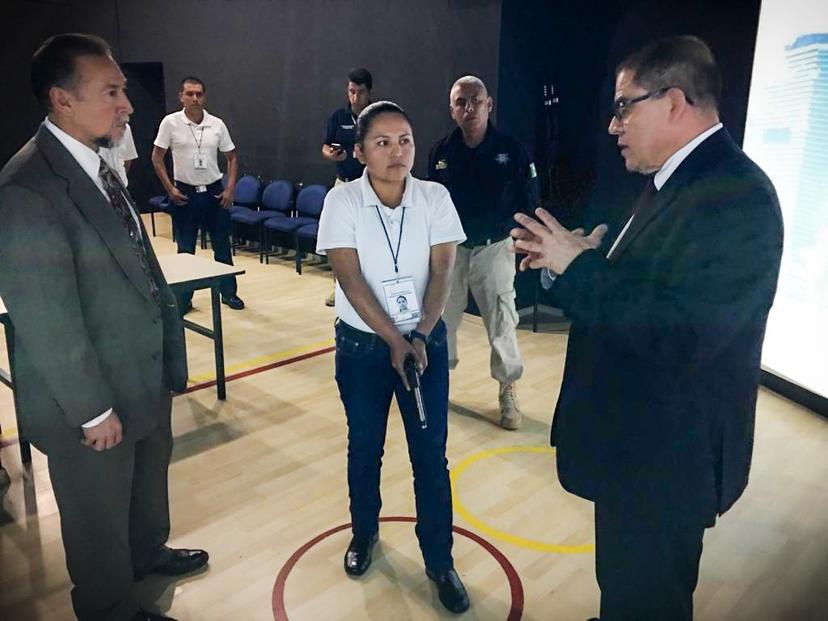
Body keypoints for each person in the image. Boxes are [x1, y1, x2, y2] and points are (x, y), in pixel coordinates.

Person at [511, 36, 783, 620]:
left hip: (667, 464)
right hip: (638, 449)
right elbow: (649, 296)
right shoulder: (678, 182)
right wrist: (581, 265)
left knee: (650, 598)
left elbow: (683, 334)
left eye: (623, 105)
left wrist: (579, 269)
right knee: (626, 587)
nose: (613, 125)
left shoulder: (738, 198)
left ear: (674, 101)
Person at [0, 33, 210, 621]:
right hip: (89, 400)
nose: (128, 105)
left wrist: (168, 358)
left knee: (144, 490)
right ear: (62, 100)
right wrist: (91, 410)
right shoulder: (26, 189)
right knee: (95, 516)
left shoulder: (95, 163)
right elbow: (47, 316)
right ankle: (108, 605)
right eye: (112, 91)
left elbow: (140, 271)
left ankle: (146, 555)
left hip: (137, 376)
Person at [316, 101, 470, 614]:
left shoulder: (434, 196)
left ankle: (440, 560)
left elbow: (444, 267)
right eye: (382, 142)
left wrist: (421, 336)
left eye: (404, 139)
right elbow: (349, 276)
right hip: (363, 347)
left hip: (424, 345)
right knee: (365, 447)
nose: (397, 151)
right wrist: (394, 340)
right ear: (360, 151)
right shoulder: (344, 202)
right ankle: (364, 535)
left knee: (431, 457)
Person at [428, 75, 538, 430]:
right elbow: (430, 205)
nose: (469, 108)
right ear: (452, 110)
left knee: (502, 323)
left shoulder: (512, 150)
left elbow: (530, 201)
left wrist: (526, 240)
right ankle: (438, 384)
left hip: (495, 250)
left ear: (489, 105)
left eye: (476, 100)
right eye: (461, 102)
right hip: (452, 252)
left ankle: (508, 389)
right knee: (442, 323)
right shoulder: (441, 153)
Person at [151, 76, 244, 315]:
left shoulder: (217, 124)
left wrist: (230, 188)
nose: (195, 98)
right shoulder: (170, 123)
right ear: (181, 97)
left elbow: (232, 157)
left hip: (214, 192)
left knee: (222, 245)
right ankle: (183, 299)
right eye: (190, 94)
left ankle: (229, 293)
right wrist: (170, 188)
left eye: (199, 94)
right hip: (185, 193)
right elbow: (157, 158)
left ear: (204, 97)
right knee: (185, 248)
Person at [321, 68, 372, 307]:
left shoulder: (377, 116)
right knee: (340, 239)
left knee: (368, 239)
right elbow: (325, 146)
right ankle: (339, 288)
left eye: (360, 92)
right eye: (351, 92)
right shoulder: (338, 117)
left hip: (370, 186)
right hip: (343, 184)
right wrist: (333, 155)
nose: (355, 97)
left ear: (368, 92)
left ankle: (367, 289)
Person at [99, 121, 137, 186]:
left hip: (121, 187)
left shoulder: (125, 128)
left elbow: (127, 159)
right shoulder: (86, 131)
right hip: (96, 187)